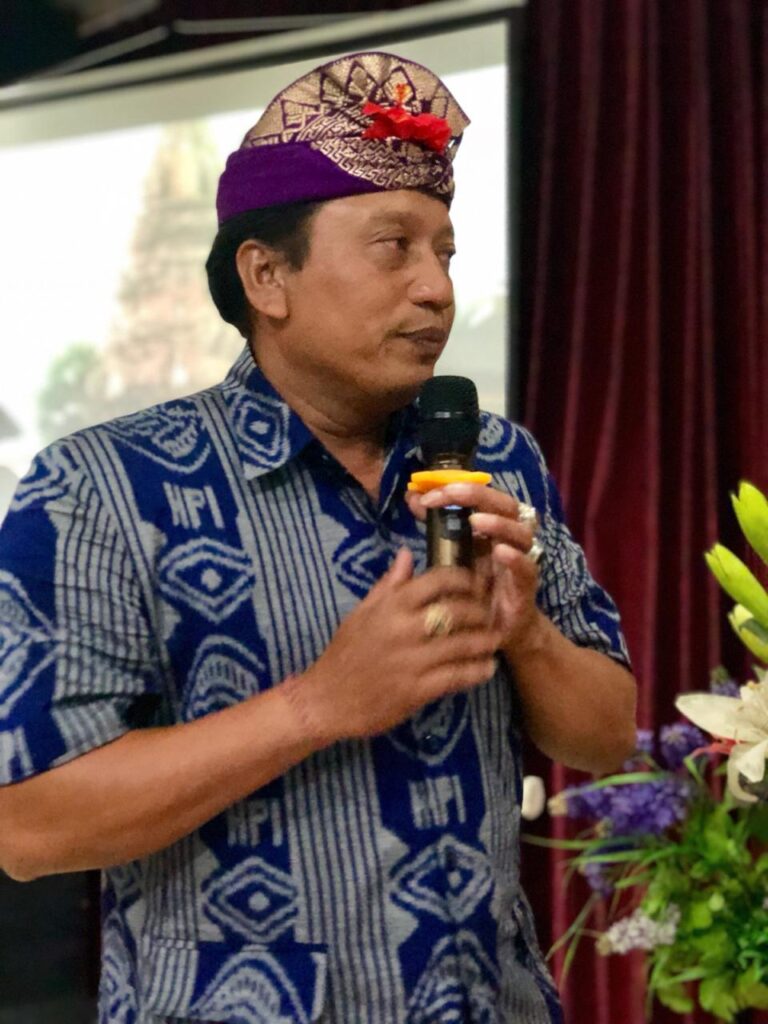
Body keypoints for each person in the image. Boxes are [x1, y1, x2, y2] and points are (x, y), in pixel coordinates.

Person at [0, 52, 636, 1023]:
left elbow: (608, 737)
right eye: (393, 247)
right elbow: (28, 825)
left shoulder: (497, 457)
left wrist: (526, 634)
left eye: (446, 253)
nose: (436, 289)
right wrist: (318, 704)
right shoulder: (102, 488)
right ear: (268, 276)